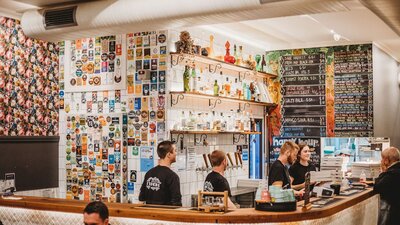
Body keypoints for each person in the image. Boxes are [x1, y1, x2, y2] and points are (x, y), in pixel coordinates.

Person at [139, 140, 182, 206]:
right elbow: (177, 204)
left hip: (149, 215)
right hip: (164, 215)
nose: (176, 153)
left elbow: (141, 199)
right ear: (169, 154)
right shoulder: (172, 177)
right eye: (175, 151)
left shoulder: (149, 173)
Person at [374, 147, 400, 225]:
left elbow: (377, 188)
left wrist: (383, 172)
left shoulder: (392, 173)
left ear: (386, 160)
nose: (381, 161)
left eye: (382, 158)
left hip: (393, 212)